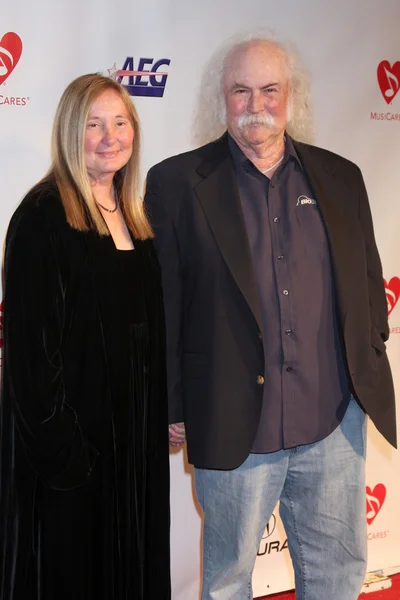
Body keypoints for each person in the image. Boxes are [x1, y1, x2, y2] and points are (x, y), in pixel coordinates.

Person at [145, 36, 396, 600]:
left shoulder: (341, 176)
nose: (255, 103)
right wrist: (174, 403)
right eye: (240, 90)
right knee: (230, 581)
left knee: (337, 576)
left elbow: (367, 286)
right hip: (235, 426)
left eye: (269, 89)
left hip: (333, 422)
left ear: (291, 96)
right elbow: (164, 306)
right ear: (222, 98)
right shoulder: (176, 184)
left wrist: (364, 374)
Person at [0, 74, 170, 600]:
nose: (109, 136)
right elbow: (31, 364)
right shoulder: (41, 218)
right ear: (70, 133)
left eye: (120, 123)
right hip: (70, 466)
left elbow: (146, 334)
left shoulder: (135, 218)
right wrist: (72, 463)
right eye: (93, 124)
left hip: (132, 457)